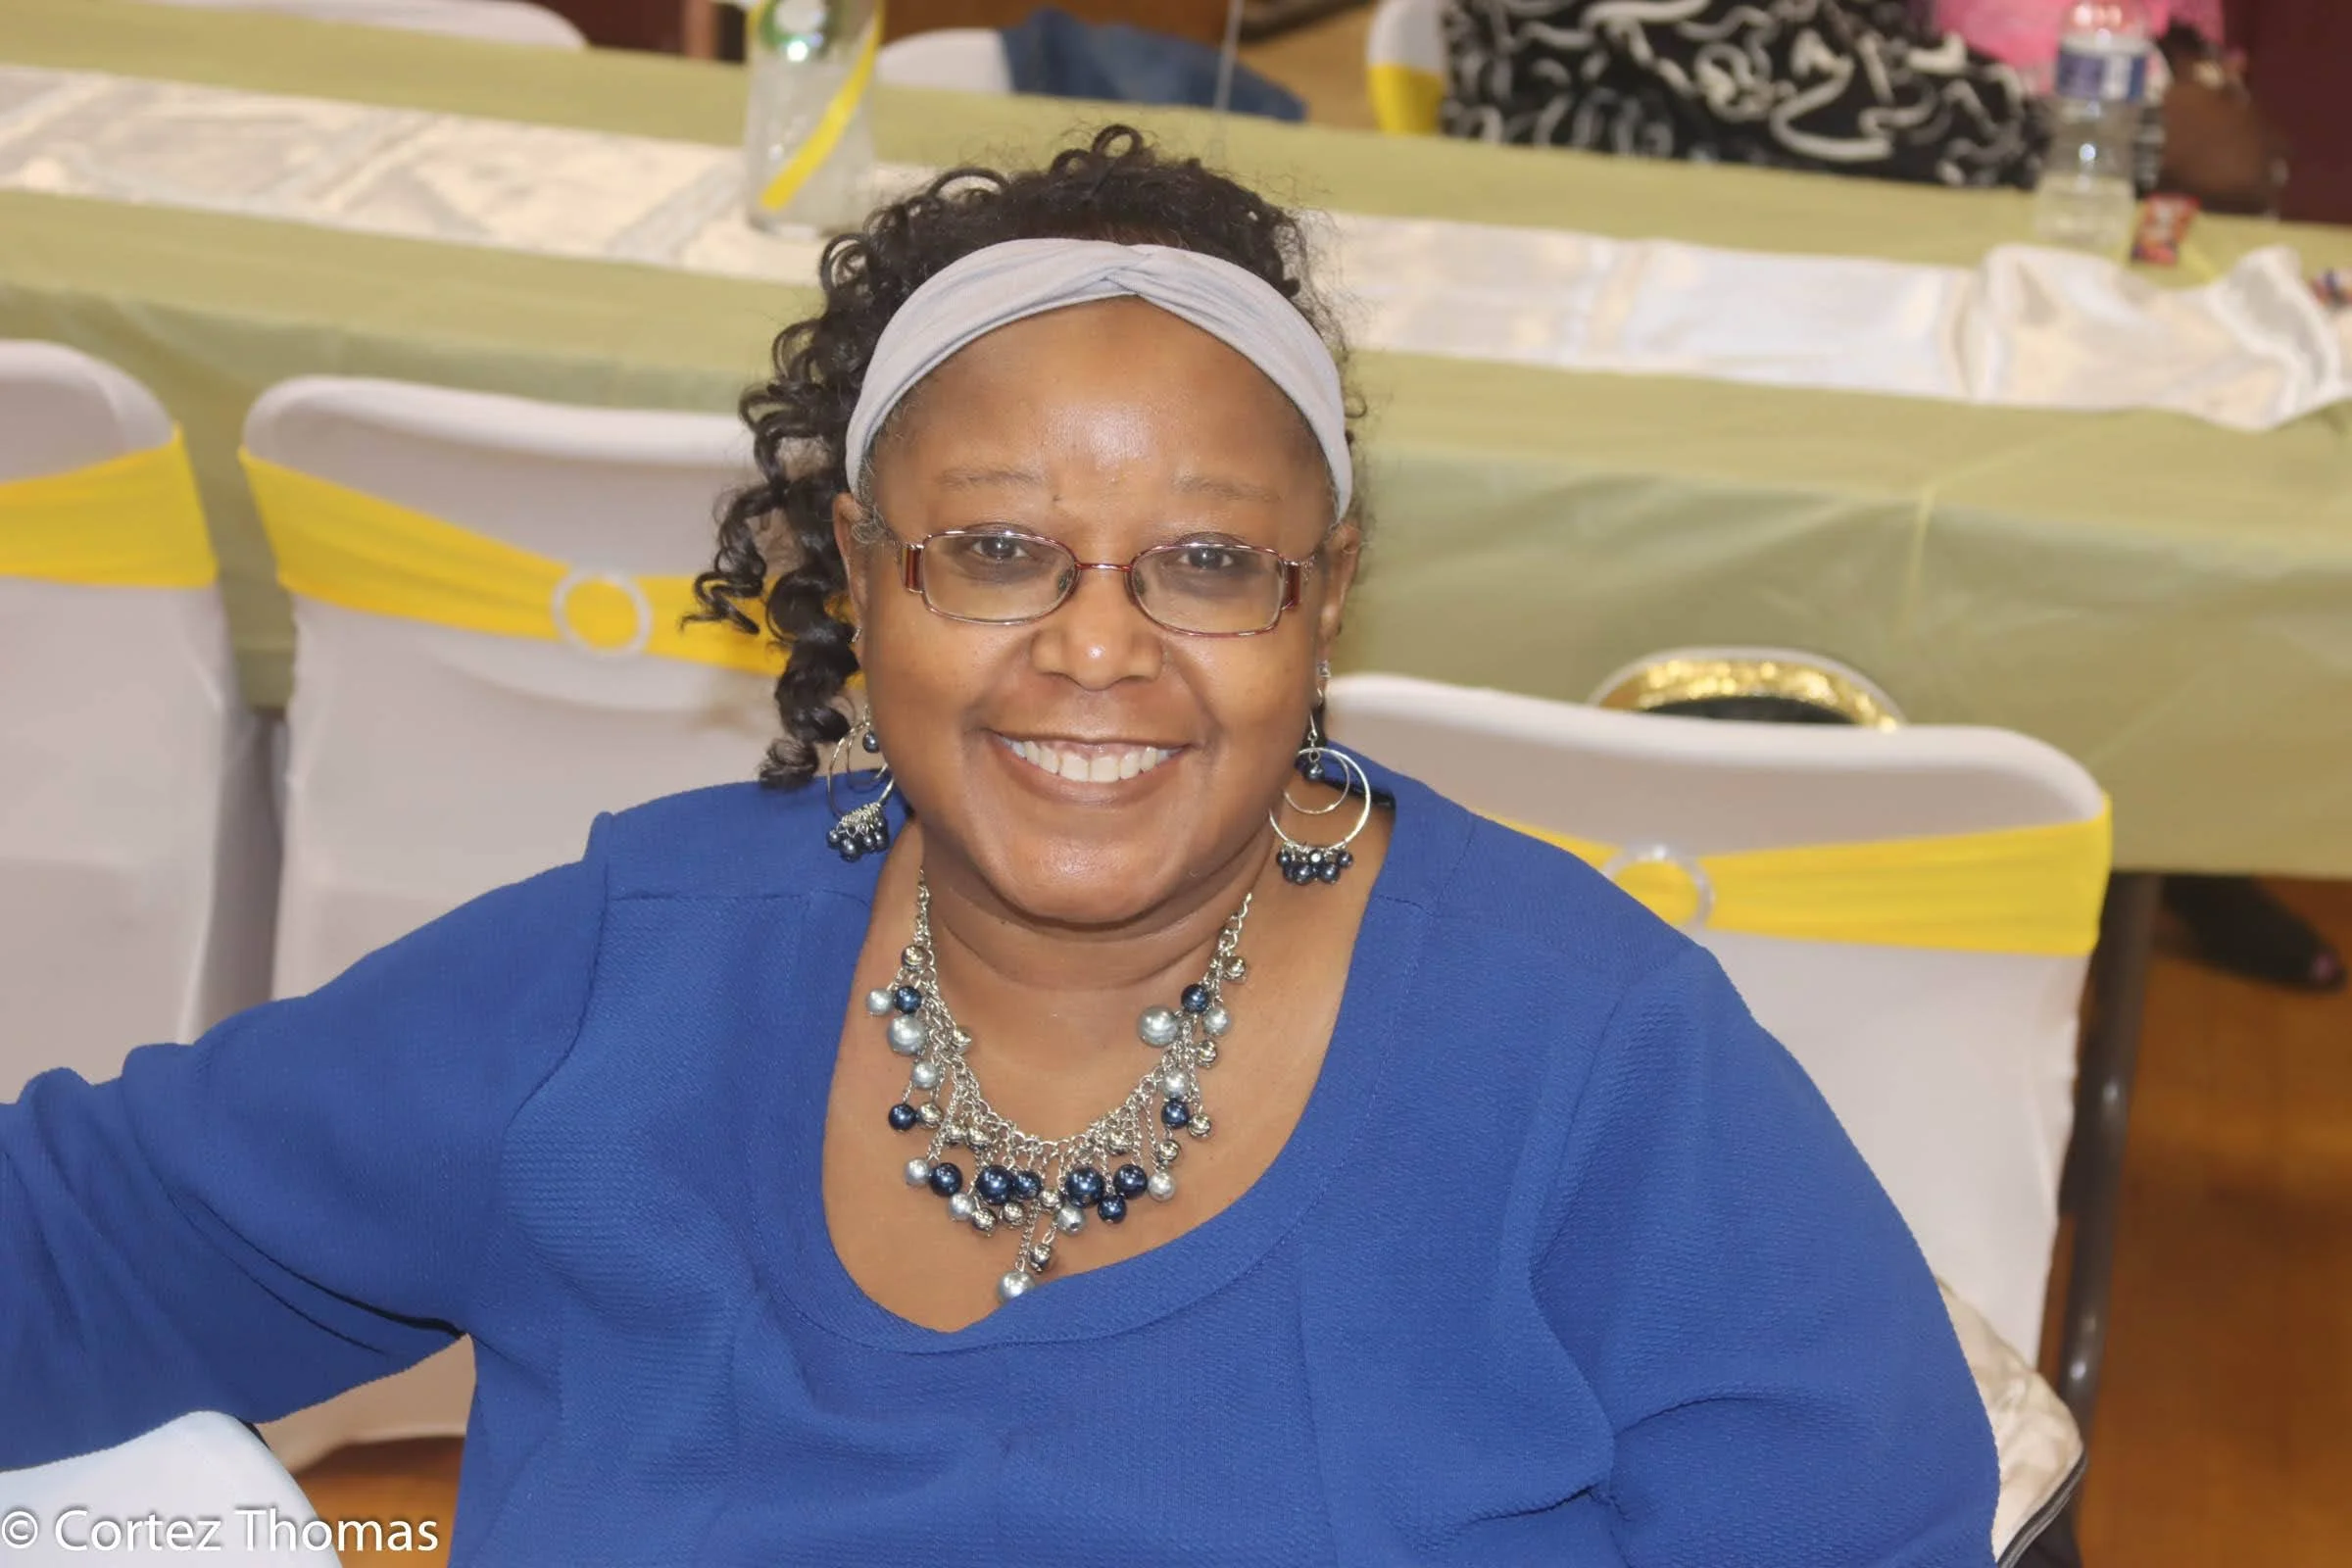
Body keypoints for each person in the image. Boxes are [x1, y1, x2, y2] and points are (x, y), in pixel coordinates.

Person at [1, 128, 2001, 1563]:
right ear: (862, 579)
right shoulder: (635, 970)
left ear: (1327, 599)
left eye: (1207, 561)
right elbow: (71, 1246)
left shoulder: (1594, 1061)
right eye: (997, 550)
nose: (1098, 642)